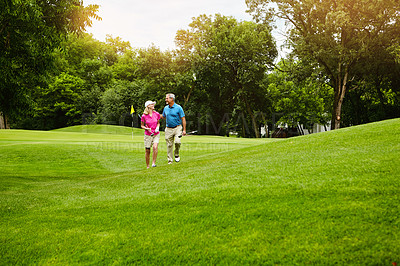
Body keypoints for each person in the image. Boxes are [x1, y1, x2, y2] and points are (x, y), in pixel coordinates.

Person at [160, 93, 186, 164]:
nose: (166, 99)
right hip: (168, 129)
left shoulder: (178, 107)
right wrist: (155, 115)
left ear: (171, 99)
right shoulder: (165, 108)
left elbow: (183, 119)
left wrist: (184, 130)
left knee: (177, 142)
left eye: (167, 98)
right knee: (169, 145)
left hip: (177, 128)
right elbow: (163, 116)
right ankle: (170, 160)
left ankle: (176, 154)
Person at [141, 101, 160, 168]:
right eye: (152, 104)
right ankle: (148, 166)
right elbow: (142, 125)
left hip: (156, 134)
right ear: (148, 106)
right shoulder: (144, 116)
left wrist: (157, 127)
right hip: (148, 134)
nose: (153, 105)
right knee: (147, 150)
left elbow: (158, 123)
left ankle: (153, 163)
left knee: (155, 147)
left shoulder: (156, 114)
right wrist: (146, 128)